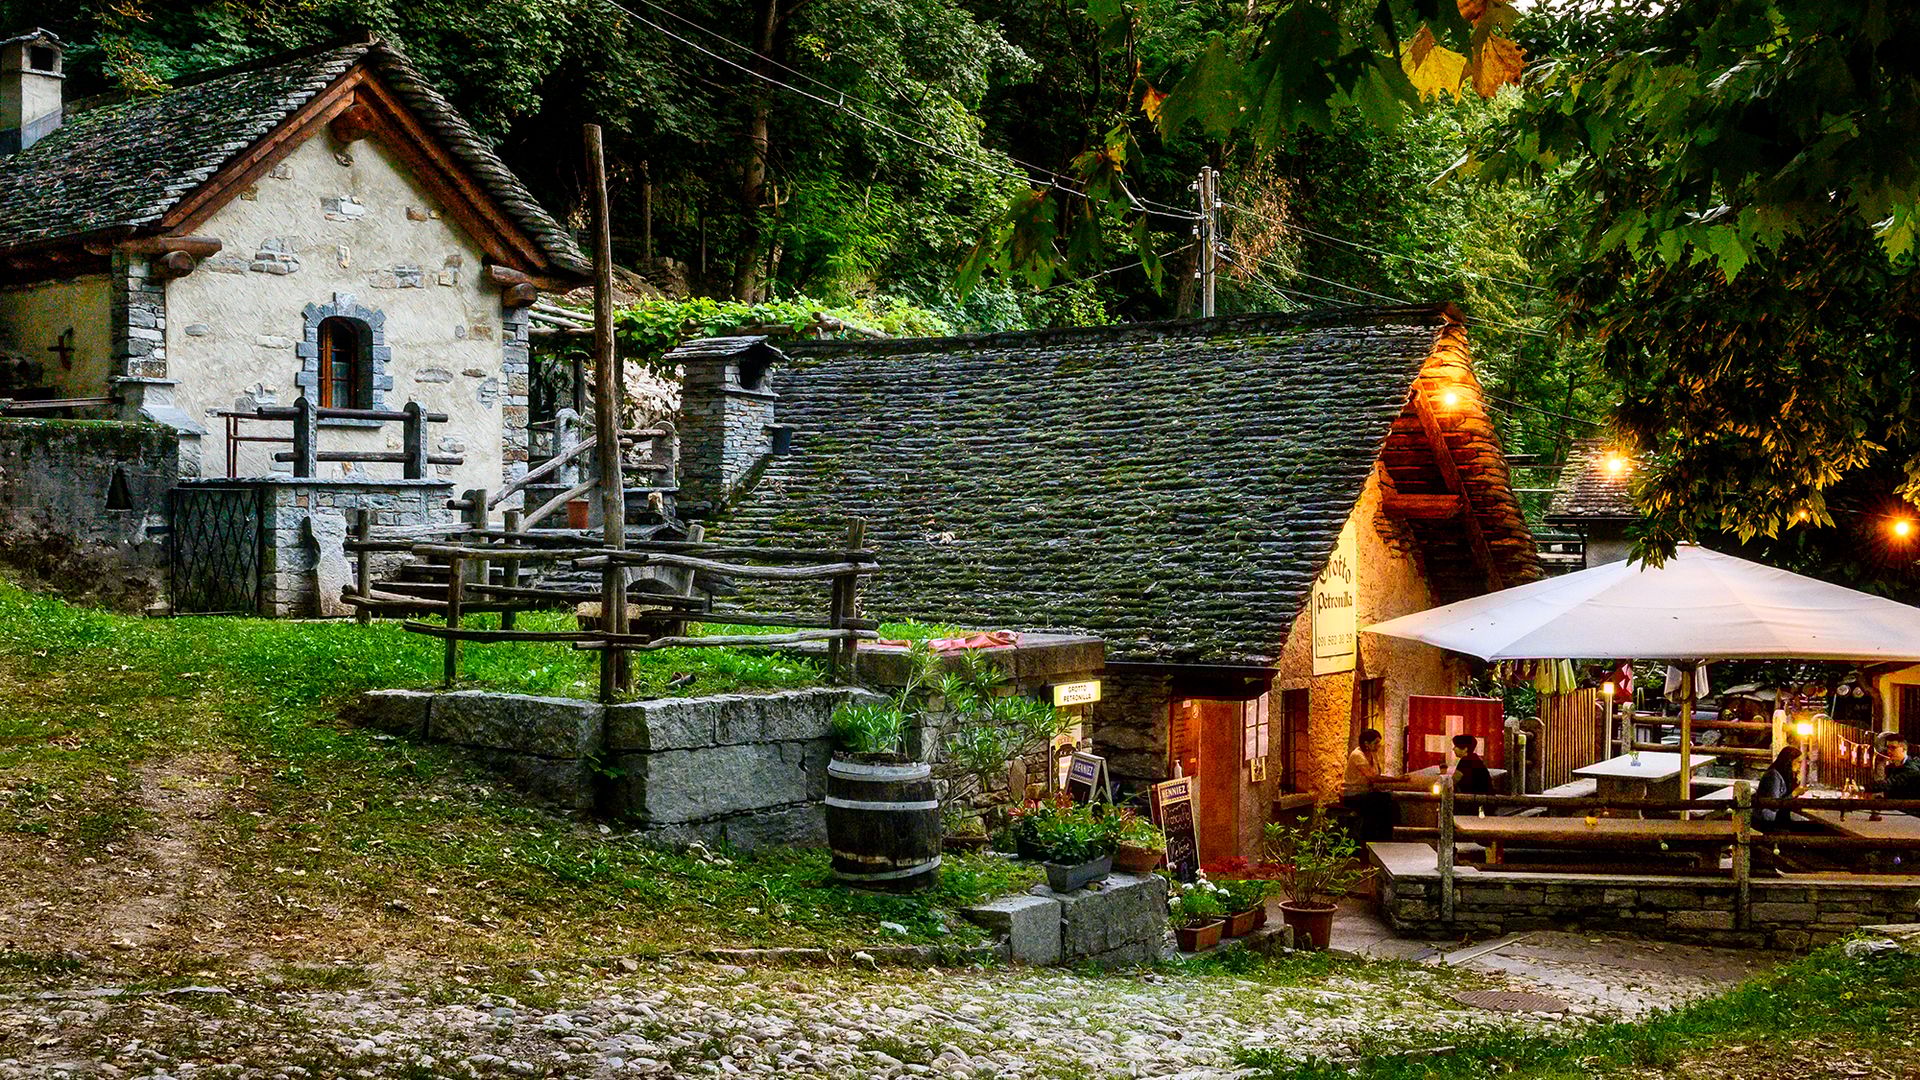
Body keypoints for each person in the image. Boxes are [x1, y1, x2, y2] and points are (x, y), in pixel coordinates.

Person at [1343, 729, 1397, 842]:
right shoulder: (1357, 755)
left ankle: (1384, 837)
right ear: (1366, 743)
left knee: (1390, 800)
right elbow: (1373, 777)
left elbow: (1377, 775)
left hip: (1365, 793)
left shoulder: (1372, 755)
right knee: (1380, 802)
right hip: (1352, 795)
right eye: (1376, 743)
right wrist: (1398, 779)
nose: (1378, 746)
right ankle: (1369, 838)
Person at [1755, 746, 1803, 833]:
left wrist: (1795, 781)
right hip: (1769, 820)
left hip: (1780, 817)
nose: (1800, 766)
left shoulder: (1785, 774)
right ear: (1789, 761)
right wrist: (1794, 793)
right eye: (1798, 762)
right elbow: (1773, 805)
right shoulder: (1773, 776)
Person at [1869, 735, 1920, 802]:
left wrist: (1862, 788)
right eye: (1888, 747)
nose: (1889, 751)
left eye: (1893, 748)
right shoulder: (1890, 768)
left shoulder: (1912, 768)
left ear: (1904, 749)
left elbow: (1891, 783)